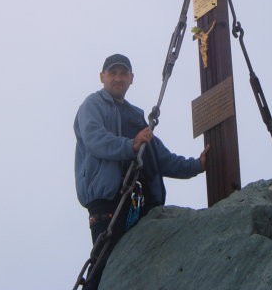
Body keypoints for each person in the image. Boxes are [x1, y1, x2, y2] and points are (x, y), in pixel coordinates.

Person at [74, 53, 208, 289]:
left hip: (138, 204)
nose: (118, 78)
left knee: (139, 271)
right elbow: (95, 139)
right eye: (113, 73)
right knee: (105, 268)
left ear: (131, 78)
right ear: (102, 77)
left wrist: (197, 165)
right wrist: (130, 145)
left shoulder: (136, 117)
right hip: (107, 202)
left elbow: (159, 157)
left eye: (123, 73)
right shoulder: (92, 105)